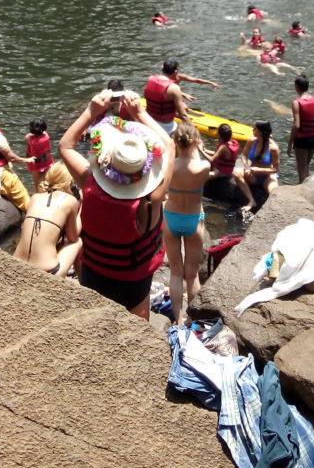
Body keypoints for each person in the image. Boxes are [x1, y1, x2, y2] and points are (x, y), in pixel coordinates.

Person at [59, 90, 174, 319]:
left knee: (97, 321)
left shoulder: (87, 182)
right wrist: (140, 113)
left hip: (94, 271)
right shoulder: (152, 199)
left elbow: (66, 146)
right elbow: (169, 146)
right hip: (134, 279)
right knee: (136, 330)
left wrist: (91, 111)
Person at [163, 121, 210, 324]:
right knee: (191, 274)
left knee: (175, 271)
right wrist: (196, 149)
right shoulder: (203, 166)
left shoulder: (169, 166)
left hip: (171, 217)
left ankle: (177, 319)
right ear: (196, 142)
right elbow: (197, 161)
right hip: (193, 219)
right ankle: (191, 317)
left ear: (175, 141)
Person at [13, 164, 82, 277]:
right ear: (69, 182)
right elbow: (72, 237)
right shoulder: (70, 201)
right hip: (49, 272)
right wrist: (83, 207)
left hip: (16, 264)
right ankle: (82, 285)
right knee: (78, 242)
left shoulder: (35, 197)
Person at [143, 58, 219, 134]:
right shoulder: (174, 88)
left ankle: (174, 112)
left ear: (162, 68)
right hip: (166, 124)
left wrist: (210, 83)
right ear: (175, 71)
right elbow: (183, 114)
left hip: (151, 117)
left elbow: (196, 80)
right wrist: (194, 130)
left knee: (185, 107)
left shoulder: (151, 79)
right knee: (183, 109)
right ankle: (175, 113)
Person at [204, 123, 256, 210]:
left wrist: (200, 150)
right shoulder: (234, 143)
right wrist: (205, 150)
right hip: (228, 170)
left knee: (203, 174)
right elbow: (218, 154)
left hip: (220, 172)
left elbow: (212, 159)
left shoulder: (223, 146)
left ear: (219, 135)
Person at [288, 75, 314, 182]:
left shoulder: (297, 102)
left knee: (302, 170)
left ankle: (303, 193)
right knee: (306, 167)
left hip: (302, 140)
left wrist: (290, 144)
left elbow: (296, 125)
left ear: (297, 87)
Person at [242, 120, 280, 195]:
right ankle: (251, 200)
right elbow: (243, 155)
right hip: (252, 176)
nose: (252, 130)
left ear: (261, 132)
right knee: (236, 173)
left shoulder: (273, 148)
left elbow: (276, 169)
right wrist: (246, 167)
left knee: (274, 194)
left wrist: (259, 170)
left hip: (267, 177)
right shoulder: (251, 141)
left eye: (254, 129)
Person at [24, 117, 54, 192]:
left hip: (36, 165)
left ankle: (39, 196)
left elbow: (26, 137)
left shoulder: (30, 139)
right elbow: (43, 132)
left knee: (38, 184)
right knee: (49, 183)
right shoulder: (47, 136)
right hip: (48, 162)